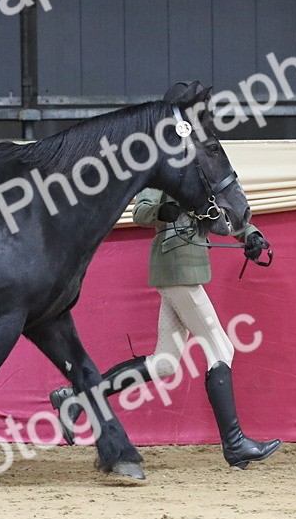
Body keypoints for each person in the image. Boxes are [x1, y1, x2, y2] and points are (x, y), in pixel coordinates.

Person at [48, 189, 281, 469]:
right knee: (221, 348)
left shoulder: (198, 166)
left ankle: (77, 397)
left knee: (165, 362)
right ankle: (234, 444)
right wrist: (161, 213)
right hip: (175, 265)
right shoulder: (165, 165)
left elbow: (222, 207)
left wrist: (250, 235)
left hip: (188, 265)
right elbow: (140, 210)